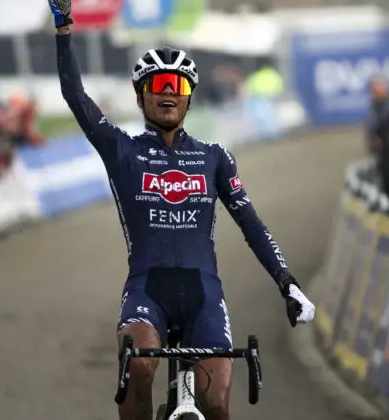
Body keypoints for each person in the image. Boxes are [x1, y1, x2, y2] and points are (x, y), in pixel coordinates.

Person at [47, 2, 316, 420]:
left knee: (215, 405)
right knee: (137, 366)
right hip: (146, 292)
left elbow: (250, 223)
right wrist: (64, 29)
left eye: (178, 84)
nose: (169, 91)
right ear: (141, 97)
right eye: (158, 85)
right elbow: (75, 97)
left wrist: (288, 284)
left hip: (203, 295)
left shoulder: (214, 157)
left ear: (189, 97)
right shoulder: (123, 151)